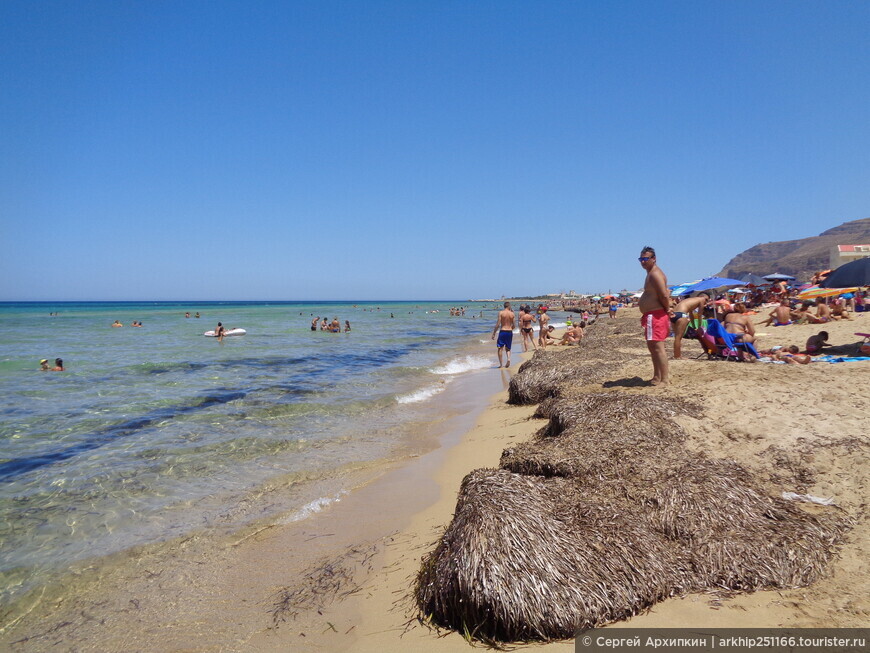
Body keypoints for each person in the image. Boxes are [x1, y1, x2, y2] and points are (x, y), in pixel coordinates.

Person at [638, 246, 670, 385]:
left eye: (646, 259)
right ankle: (657, 376)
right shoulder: (650, 273)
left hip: (656, 315)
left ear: (654, 259)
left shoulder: (655, 274)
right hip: (652, 315)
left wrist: (668, 309)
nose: (643, 262)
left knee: (658, 347)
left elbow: (663, 294)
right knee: (653, 347)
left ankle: (664, 379)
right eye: (641, 259)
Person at [670, 292, 709, 359]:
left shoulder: (691, 300)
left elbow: (691, 315)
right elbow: (699, 315)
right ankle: (677, 356)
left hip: (674, 314)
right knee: (678, 337)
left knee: (677, 337)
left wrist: (694, 327)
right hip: (681, 315)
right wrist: (700, 327)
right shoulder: (702, 299)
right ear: (705, 298)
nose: (706, 302)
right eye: (707, 300)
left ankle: (676, 355)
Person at [491, 301, 515, 368]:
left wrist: (494, 333)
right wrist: (510, 329)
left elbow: (498, 324)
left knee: (500, 348)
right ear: (509, 306)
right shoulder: (512, 314)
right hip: (509, 331)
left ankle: (501, 364)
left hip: (503, 331)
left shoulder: (501, 313)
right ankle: (509, 359)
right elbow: (514, 325)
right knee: (508, 348)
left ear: (504, 306)